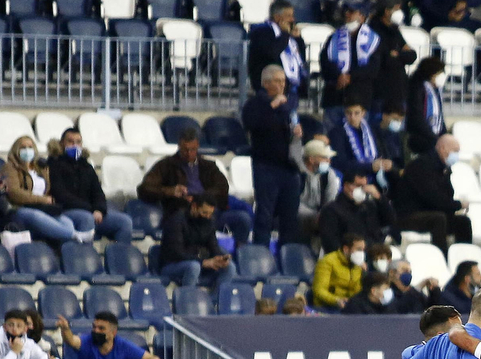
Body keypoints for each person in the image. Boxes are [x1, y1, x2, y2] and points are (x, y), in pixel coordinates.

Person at [138, 129, 249, 242]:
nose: (189, 153)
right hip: (185, 213)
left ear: (198, 146)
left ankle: (240, 254)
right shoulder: (166, 165)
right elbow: (145, 188)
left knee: (243, 219)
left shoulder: (208, 166)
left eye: (193, 149)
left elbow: (223, 187)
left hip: (211, 210)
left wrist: (202, 198)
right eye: (185, 150)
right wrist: (170, 191)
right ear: (179, 146)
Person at [242, 63, 304, 248]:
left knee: (290, 216)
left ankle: (287, 255)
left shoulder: (288, 106)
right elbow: (251, 124)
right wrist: (271, 106)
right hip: (266, 167)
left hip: (289, 168)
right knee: (265, 215)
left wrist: (299, 131)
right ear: (265, 83)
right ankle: (260, 252)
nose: (281, 85)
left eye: (283, 81)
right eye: (277, 81)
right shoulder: (254, 104)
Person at [47, 129, 134, 244]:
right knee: (86, 218)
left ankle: (121, 259)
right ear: (62, 143)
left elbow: (98, 192)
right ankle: (85, 259)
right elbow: (60, 195)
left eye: (78, 142)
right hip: (66, 211)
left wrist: (99, 209)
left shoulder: (86, 166)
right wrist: (91, 210)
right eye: (70, 141)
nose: (75, 145)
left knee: (124, 221)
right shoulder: (53, 165)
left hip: (91, 212)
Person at [393, 134, 470, 248]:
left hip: (428, 212)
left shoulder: (443, 169)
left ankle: (465, 260)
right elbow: (432, 198)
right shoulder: (421, 165)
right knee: (439, 219)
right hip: (408, 215)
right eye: (455, 151)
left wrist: (454, 205)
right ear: (443, 148)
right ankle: (442, 258)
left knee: (463, 222)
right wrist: (458, 204)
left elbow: (448, 194)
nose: (456, 156)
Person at [319, 2, 381, 131]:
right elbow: (324, 61)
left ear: (362, 17)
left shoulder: (372, 40)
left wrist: (350, 77)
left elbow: (373, 68)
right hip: (335, 98)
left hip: (359, 100)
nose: (347, 15)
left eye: (352, 12)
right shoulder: (333, 37)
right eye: (346, 12)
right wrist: (338, 76)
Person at [158, 192, 235, 288]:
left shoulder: (209, 222)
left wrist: (219, 257)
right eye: (204, 212)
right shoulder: (176, 221)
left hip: (198, 261)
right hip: (172, 264)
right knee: (194, 266)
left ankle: (217, 300)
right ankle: (187, 300)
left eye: (210, 214)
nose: (207, 216)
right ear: (194, 206)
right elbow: (176, 253)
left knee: (229, 267)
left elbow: (213, 245)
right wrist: (203, 262)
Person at [318, 171, 395, 252]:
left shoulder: (370, 206)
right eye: (358, 186)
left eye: (364, 186)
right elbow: (330, 242)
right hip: (348, 256)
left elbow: (390, 220)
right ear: (346, 186)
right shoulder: (331, 209)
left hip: (374, 254)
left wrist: (379, 197)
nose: (362, 189)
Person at [247, 0, 308, 102]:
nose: (292, 19)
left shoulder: (288, 34)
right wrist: (285, 34)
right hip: (270, 89)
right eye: (288, 16)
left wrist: (298, 39)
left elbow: (300, 58)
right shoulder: (262, 31)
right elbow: (273, 52)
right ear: (277, 17)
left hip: (290, 89)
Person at [328, 101, 399, 187]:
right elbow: (340, 162)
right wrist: (369, 166)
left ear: (363, 113)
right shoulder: (336, 132)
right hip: (351, 178)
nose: (352, 117)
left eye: (356, 113)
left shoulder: (372, 130)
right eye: (348, 113)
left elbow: (383, 153)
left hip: (375, 176)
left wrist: (387, 163)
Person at [371, 0, 418, 115]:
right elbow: (386, 59)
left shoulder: (395, 30)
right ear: (387, 11)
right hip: (381, 91)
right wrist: (399, 55)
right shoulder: (374, 30)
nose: (399, 12)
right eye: (397, 9)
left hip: (399, 90)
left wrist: (397, 54)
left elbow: (412, 55)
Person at [405, 56, 449, 157]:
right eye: (440, 73)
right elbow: (417, 117)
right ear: (432, 73)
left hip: (433, 136)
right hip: (420, 137)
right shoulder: (417, 88)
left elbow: (439, 117)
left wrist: (444, 136)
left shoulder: (435, 91)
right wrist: (434, 138)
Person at [298, 138, 342, 237]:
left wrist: (324, 215)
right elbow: (293, 203)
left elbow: (331, 200)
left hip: (320, 217)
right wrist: (314, 215)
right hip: (297, 218)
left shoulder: (329, 174)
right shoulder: (297, 174)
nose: (328, 161)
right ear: (311, 159)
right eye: (324, 158)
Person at [312, 233, 364, 311]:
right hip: (327, 307)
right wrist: (336, 300)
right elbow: (319, 290)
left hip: (349, 307)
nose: (361, 253)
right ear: (346, 249)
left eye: (363, 250)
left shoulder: (358, 265)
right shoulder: (327, 261)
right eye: (359, 249)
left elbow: (357, 291)